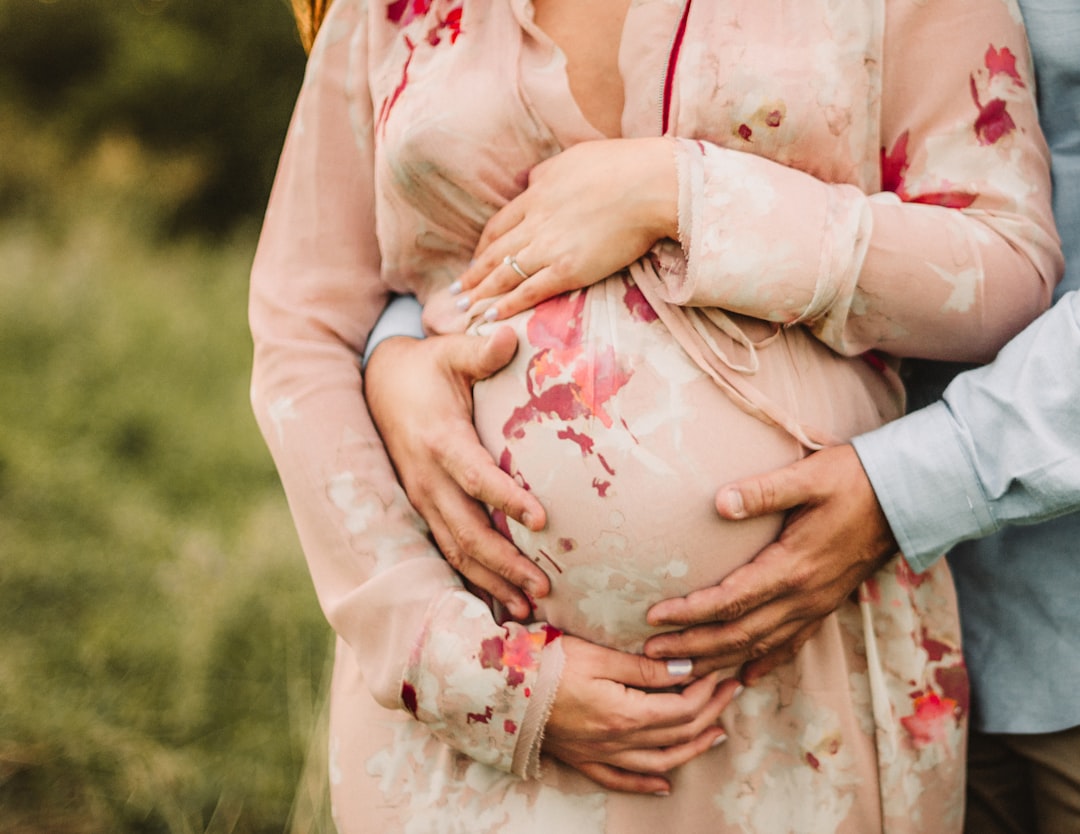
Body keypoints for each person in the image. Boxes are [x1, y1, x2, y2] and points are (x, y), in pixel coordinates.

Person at [250, 1, 1060, 832]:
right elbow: (301, 330)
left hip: (794, 694)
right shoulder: (387, 13)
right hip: (467, 733)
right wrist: (437, 650)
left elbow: (1005, 270)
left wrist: (689, 196)